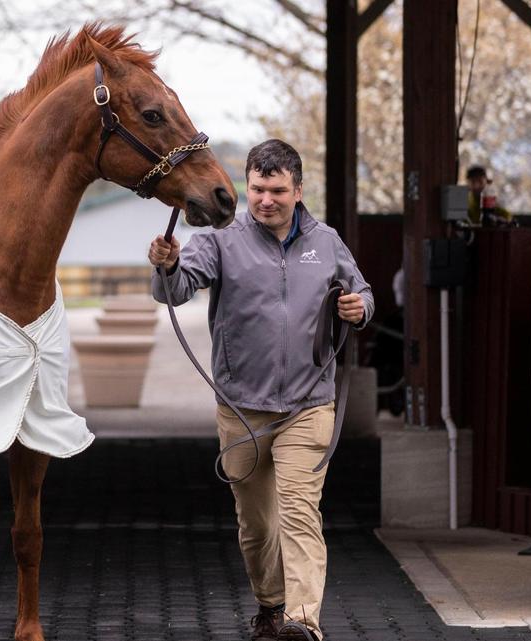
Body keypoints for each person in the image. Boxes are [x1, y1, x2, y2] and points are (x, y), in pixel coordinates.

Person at [148, 139, 374, 641]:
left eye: (276, 190)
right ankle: (271, 605)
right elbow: (177, 289)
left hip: (307, 403)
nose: (265, 199)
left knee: (299, 513)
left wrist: (360, 308)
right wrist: (166, 266)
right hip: (241, 408)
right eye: (256, 189)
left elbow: (362, 291)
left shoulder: (327, 242)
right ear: (246, 186)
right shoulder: (221, 239)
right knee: (257, 527)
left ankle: (302, 622)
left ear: (297, 190)